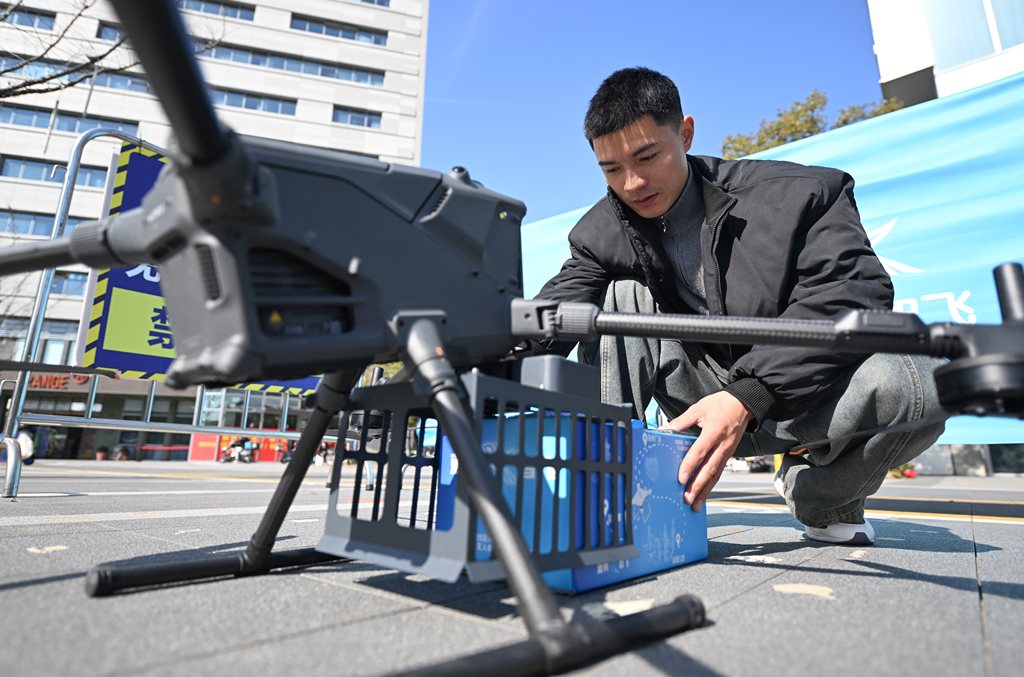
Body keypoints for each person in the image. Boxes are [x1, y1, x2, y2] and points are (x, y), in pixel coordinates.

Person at [534, 67, 946, 545]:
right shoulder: (599, 232)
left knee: (927, 383)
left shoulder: (801, 195)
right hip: (694, 394)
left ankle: (822, 497)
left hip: (801, 396)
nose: (632, 183)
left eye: (647, 156)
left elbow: (852, 292)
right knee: (617, 299)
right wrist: (475, 357)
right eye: (610, 169)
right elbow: (552, 315)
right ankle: (607, 489)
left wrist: (748, 396)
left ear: (685, 133)